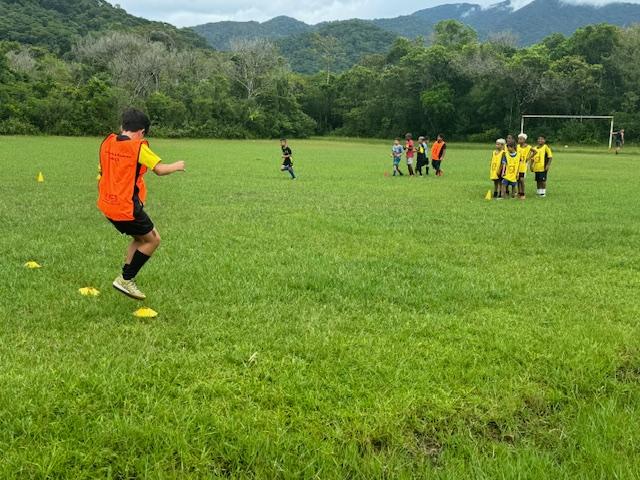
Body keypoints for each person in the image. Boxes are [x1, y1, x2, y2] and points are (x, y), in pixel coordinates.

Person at [98, 108, 185, 300]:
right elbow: (160, 169)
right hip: (126, 208)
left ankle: (126, 277)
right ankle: (126, 279)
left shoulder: (107, 143)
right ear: (142, 132)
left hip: (107, 206)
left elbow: (102, 171)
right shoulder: (138, 147)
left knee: (140, 239)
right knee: (153, 240)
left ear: (122, 127)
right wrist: (177, 166)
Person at [516, 133, 533, 199]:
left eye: (521, 139)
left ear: (524, 140)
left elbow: (535, 152)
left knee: (522, 179)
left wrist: (529, 158)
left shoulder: (528, 147)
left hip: (523, 166)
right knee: (518, 179)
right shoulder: (517, 146)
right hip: (517, 165)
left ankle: (523, 193)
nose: (519, 140)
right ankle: (519, 192)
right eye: (519, 139)